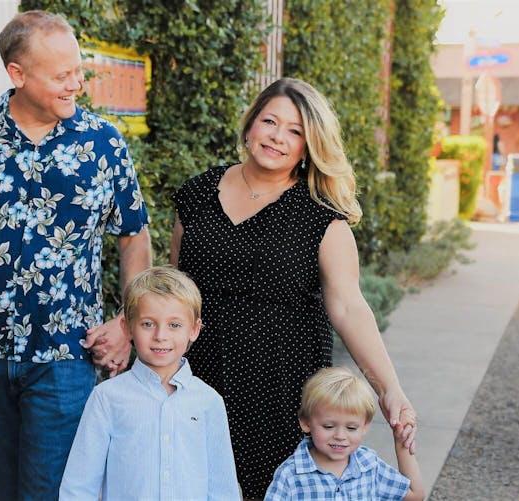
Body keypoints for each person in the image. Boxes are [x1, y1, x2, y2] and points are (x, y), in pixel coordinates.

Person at [0, 10, 151, 500]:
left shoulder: (103, 143)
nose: (77, 84)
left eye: (77, 70)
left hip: (65, 355)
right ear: (18, 74)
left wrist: (128, 321)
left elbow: (133, 237)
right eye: (62, 75)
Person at [170, 77, 416, 499]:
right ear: (250, 126)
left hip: (281, 392)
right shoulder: (196, 196)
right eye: (270, 121)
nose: (278, 137)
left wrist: (389, 388)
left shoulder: (322, 217)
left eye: (295, 131)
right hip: (197, 383)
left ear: (309, 146)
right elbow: (176, 291)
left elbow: (349, 308)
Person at [59, 266, 240, 500]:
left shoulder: (209, 401)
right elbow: (79, 484)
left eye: (174, 325)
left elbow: (222, 487)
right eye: (148, 324)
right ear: (127, 327)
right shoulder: (107, 397)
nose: (160, 336)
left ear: (194, 329)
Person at [264, 367, 424, 501]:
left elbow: (415, 495)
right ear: (306, 423)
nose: (340, 435)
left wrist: (401, 443)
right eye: (328, 426)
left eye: (351, 428)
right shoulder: (290, 475)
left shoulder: (369, 465)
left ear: (365, 426)